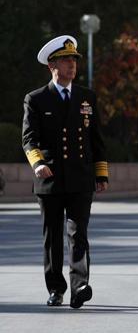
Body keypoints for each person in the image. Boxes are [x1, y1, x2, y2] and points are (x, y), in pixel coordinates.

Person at [22, 35, 109, 308]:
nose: (72, 65)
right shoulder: (36, 99)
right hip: (49, 180)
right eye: (65, 60)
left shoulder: (87, 97)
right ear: (52, 65)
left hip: (81, 178)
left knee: (78, 233)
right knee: (53, 237)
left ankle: (80, 285)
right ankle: (56, 288)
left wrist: (101, 174)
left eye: (74, 60)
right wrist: (38, 164)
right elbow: (28, 139)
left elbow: (96, 139)